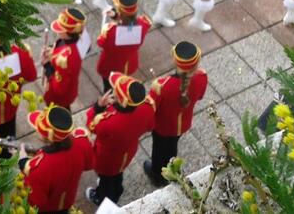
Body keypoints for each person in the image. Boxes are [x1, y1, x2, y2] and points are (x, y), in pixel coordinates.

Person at [85, 72, 155, 206]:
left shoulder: (107, 121)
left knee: (107, 179)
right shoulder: (147, 106)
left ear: (120, 100)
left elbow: (90, 125)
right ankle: (117, 189)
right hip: (128, 151)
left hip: (108, 158)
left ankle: (102, 197)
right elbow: (149, 126)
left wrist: (98, 106)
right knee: (116, 175)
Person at [143, 41, 208, 187]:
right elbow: (200, 96)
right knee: (172, 146)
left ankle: (156, 174)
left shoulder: (162, 85)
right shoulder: (202, 76)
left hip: (162, 127)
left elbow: (150, 109)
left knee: (159, 150)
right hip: (183, 124)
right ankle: (171, 168)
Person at [19, 105, 93, 214]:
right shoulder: (82, 141)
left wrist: (23, 162)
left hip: (47, 209)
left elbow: (35, 201)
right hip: (68, 199)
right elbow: (89, 164)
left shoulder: (39, 168)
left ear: (47, 137)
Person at [95, 0, 151, 91]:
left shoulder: (109, 31)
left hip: (111, 65)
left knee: (108, 87)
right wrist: (116, 17)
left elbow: (100, 43)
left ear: (120, 12)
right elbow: (129, 26)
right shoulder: (144, 24)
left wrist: (114, 20)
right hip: (129, 63)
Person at [41, 7, 86, 109]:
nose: (57, 32)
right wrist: (53, 51)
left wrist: (47, 65)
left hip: (58, 97)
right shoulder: (78, 39)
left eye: (60, 30)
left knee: (56, 111)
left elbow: (59, 88)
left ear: (68, 33)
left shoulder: (65, 59)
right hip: (71, 87)